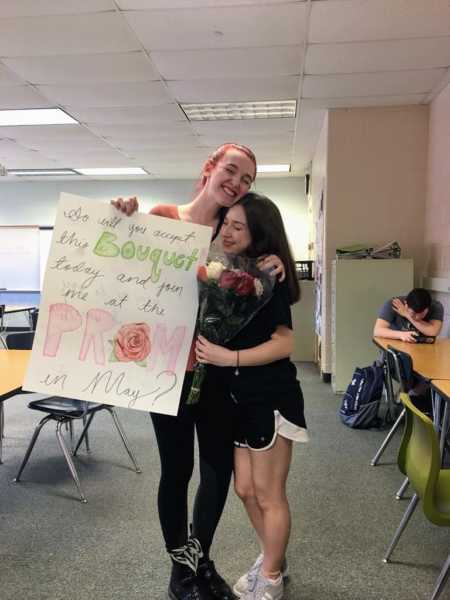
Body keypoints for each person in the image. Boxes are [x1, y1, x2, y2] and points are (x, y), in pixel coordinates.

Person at [112, 143, 285, 600]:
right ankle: (180, 574)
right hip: (165, 370)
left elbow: (259, 280)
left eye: (248, 179)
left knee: (217, 472)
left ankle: (198, 561)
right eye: (232, 171)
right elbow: (127, 270)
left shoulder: (236, 232)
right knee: (177, 470)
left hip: (216, 371)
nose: (238, 183)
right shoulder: (164, 216)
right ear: (210, 168)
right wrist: (123, 215)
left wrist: (272, 264)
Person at [195, 192, 308, 600]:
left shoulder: (267, 277)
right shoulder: (223, 272)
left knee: (268, 492)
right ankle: (270, 556)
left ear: (258, 234)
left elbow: (284, 343)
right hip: (235, 400)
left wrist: (229, 357)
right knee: (244, 488)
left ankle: (273, 577)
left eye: (238, 227)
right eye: (226, 223)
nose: (227, 231)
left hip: (269, 395)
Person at [373, 287, 443, 343]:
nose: (417, 317)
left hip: (423, 351)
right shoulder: (394, 303)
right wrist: (401, 335)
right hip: (396, 350)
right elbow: (378, 331)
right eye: (414, 313)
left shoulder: (436, 306)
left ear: (428, 308)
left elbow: (433, 331)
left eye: (421, 314)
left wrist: (407, 315)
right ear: (406, 305)